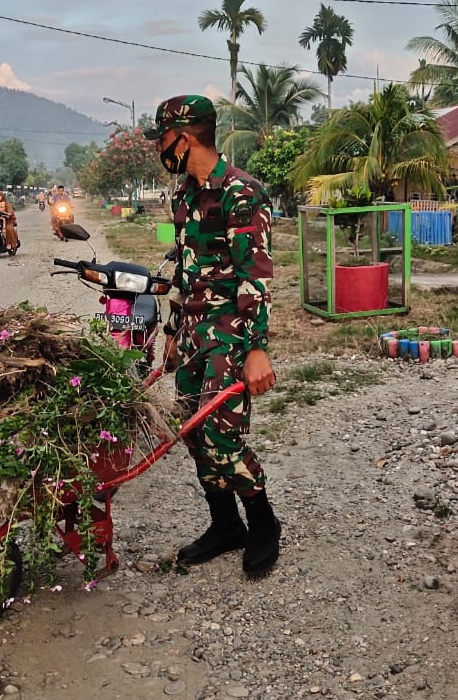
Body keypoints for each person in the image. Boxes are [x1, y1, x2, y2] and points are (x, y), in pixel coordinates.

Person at [145, 94, 280, 577]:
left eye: (162, 138)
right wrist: (173, 330)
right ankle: (225, 526)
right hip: (194, 332)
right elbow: (185, 269)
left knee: (223, 438)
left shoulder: (241, 192)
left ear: (184, 137)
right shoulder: (184, 194)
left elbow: (255, 274)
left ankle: (263, 523)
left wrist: (258, 348)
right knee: (192, 432)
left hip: (231, 334)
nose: (158, 147)